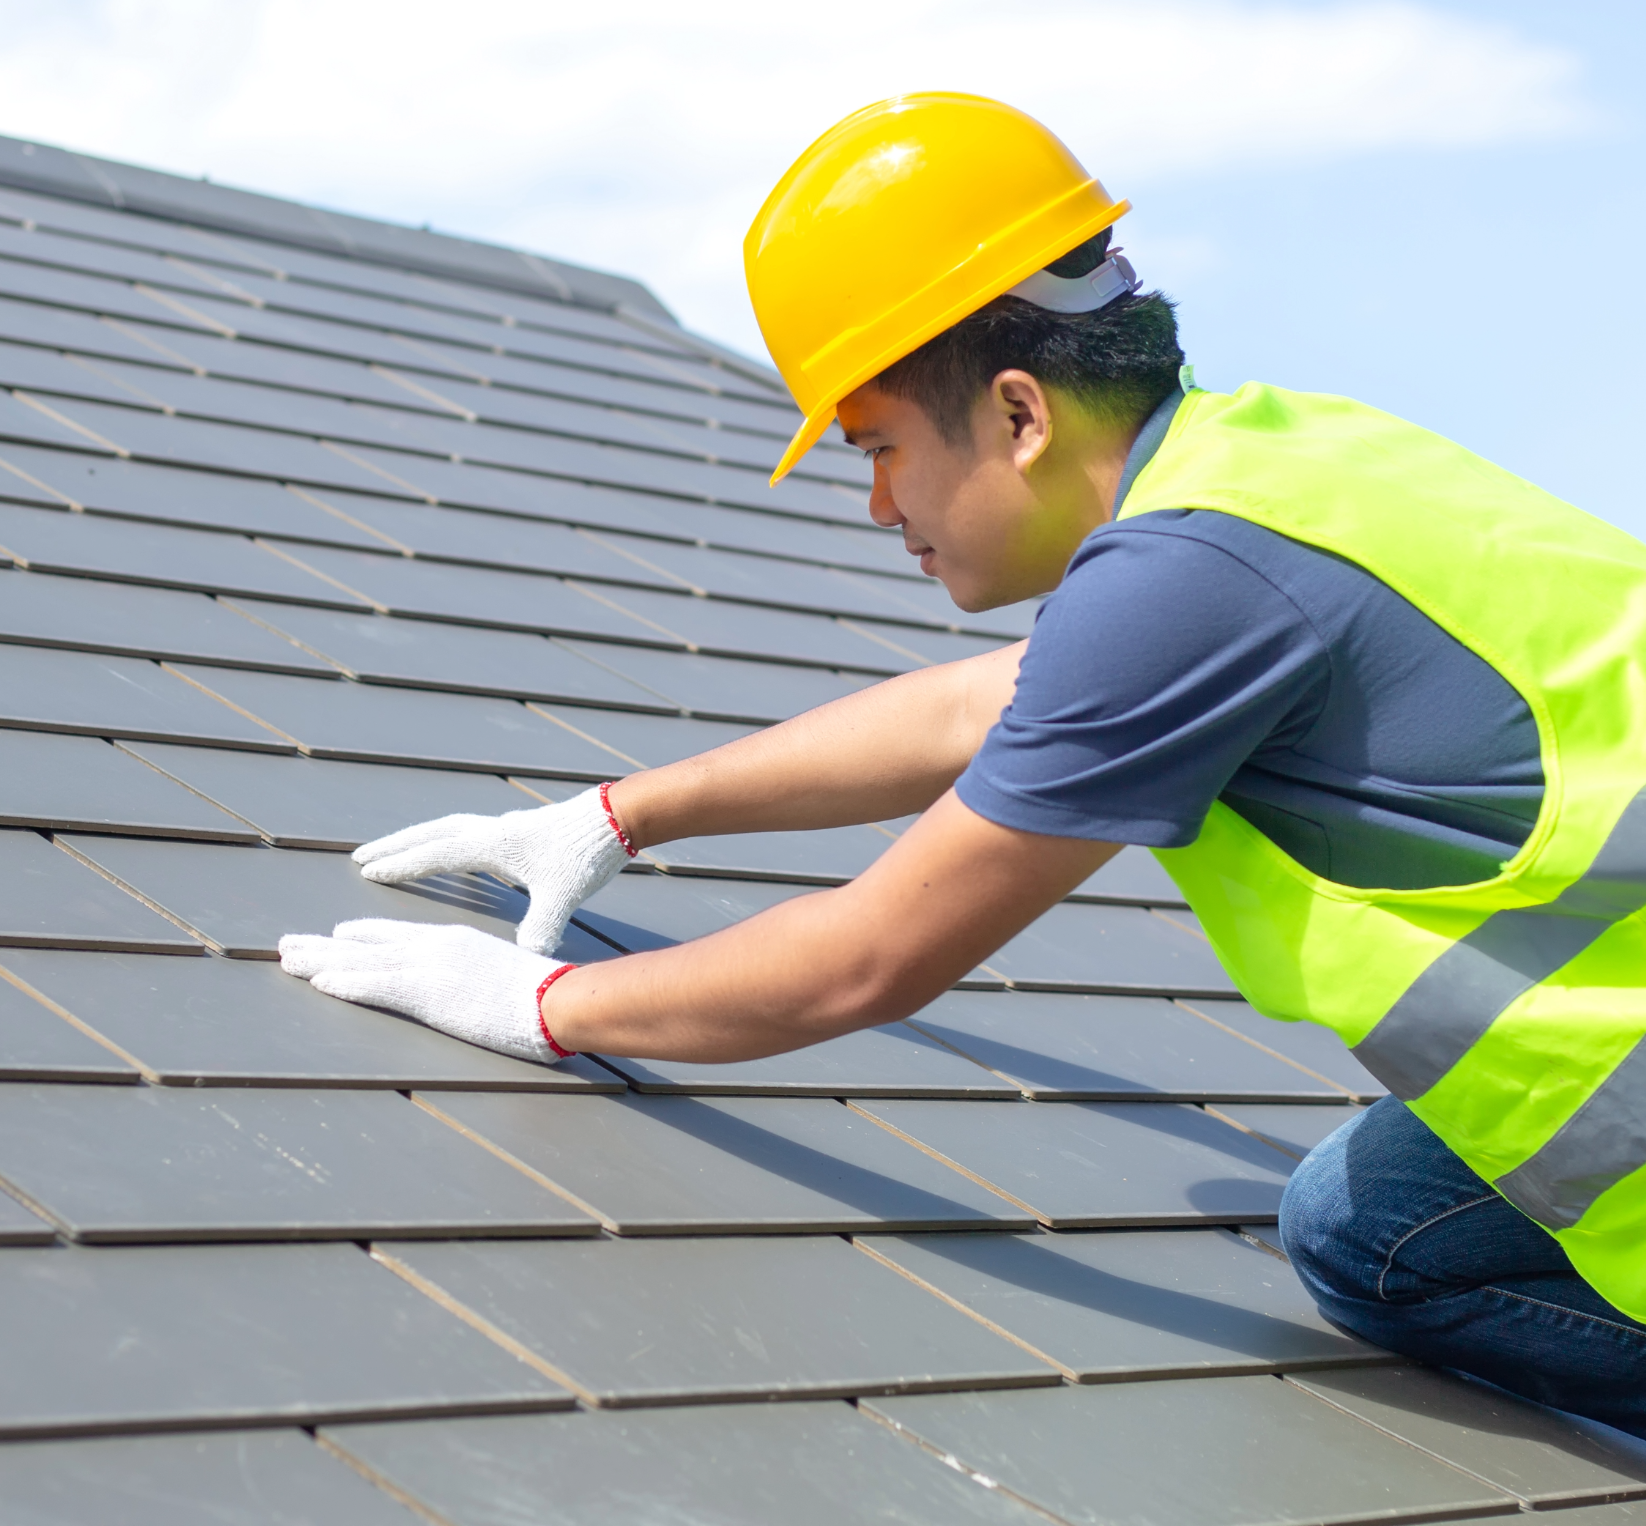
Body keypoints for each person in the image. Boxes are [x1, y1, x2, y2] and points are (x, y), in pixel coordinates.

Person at [278, 91, 1646, 1432]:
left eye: (879, 448)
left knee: (1372, 1244)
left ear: (1018, 414)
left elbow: (872, 959)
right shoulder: (1263, 470)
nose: (877, 504)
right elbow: (970, 715)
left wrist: (544, 1007)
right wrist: (617, 816)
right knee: (1370, 1220)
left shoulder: (1190, 581)